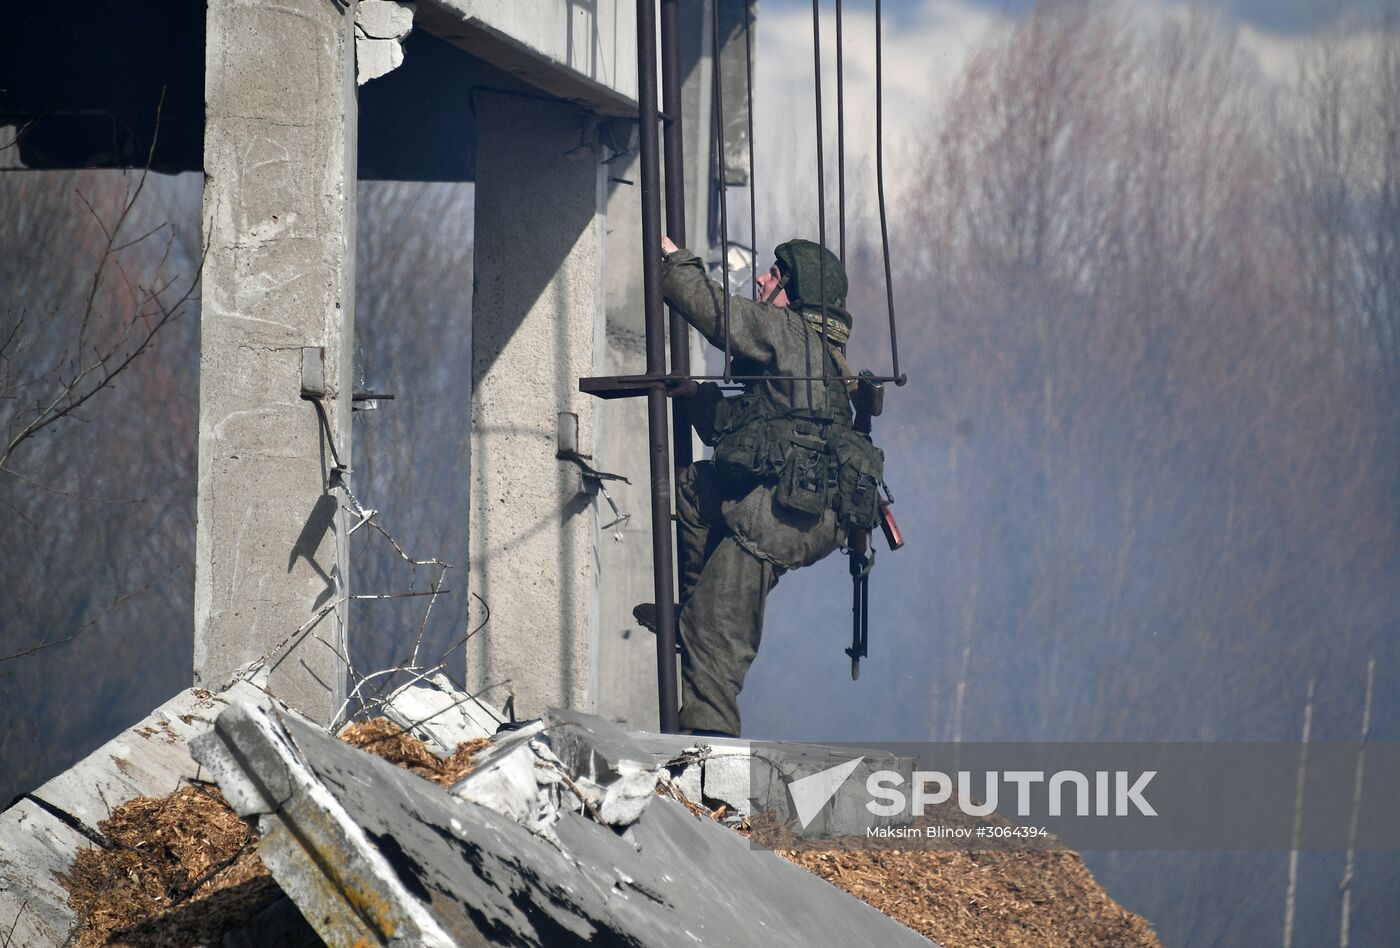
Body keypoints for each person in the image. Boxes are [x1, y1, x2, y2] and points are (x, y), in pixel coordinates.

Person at [636, 236, 882, 737]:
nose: (764, 280)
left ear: (795, 292)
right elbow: (752, 431)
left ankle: (708, 755)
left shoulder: (788, 333)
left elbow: (711, 310)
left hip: (779, 518)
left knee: (716, 633)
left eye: (775, 274)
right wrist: (696, 400)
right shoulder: (823, 355)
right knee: (697, 487)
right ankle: (695, 610)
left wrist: (675, 262)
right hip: (795, 510)